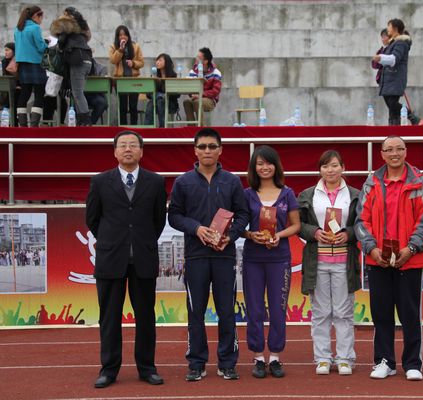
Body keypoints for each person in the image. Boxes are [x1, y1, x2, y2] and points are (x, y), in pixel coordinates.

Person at [85, 130, 167, 388]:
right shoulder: (100, 181)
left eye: (133, 145)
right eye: (123, 145)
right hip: (111, 259)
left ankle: (147, 368)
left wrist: (139, 242)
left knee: (146, 317)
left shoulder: (156, 182)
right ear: (115, 152)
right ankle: (109, 370)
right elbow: (92, 219)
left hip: (143, 258)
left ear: (141, 151)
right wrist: (113, 241)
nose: (128, 149)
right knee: (109, 318)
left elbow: (158, 221)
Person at [168, 128, 249, 381]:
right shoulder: (183, 182)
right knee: (196, 312)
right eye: (202, 146)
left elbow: (243, 214)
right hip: (196, 256)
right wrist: (196, 228)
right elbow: (174, 216)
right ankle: (196, 362)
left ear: (220, 150)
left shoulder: (232, 181)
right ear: (195, 150)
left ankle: (227, 362)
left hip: (225, 256)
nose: (207, 151)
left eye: (212, 146)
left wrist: (231, 236)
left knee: (227, 310)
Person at [355, 135, 423, 380]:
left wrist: (410, 249)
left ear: (406, 151)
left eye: (399, 149)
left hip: (410, 259)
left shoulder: (421, 183)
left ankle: (413, 363)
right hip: (378, 259)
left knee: (410, 313)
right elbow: (361, 220)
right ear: (381, 154)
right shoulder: (371, 183)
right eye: (389, 149)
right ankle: (384, 361)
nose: (394, 154)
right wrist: (372, 249)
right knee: (381, 313)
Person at [297, 150, 361, 376]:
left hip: (344, 262)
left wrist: (348, 234)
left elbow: (362, 224)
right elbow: (298, 224)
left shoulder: (355, 195)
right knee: (320, 312)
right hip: (318, 262)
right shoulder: (308, 195)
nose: (330, 170)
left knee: (343, 312)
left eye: (334, 165)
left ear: (343, 167)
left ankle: (345, 358)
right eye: (325, 166)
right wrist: (314, 232)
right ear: (320, 170)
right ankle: (322, 358)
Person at [242, 145, 300, 379]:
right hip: (253, 259)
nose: (264, 167)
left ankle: (275, 357)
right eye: (260, 163)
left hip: (279, 259)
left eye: (269, 163)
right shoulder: (246, 194)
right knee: (254, 308)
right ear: (254, 167)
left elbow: (296, 225)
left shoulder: (287, 193)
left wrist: (279, 236)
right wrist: (250, 235)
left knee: (278, 308)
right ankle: (258, 357)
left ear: (276, 166)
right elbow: (239, 226)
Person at [50, 7, 93, 125]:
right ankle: (81, 120)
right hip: (87, 60)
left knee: (77, 92)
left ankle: (85, 120)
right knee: (78, 92)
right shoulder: (82, 28)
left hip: (77, 61)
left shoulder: (66, 26)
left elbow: (61, 41)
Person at [372, 18, 411, 125]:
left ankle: (412, 117)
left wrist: (380, 57)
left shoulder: (401, 43)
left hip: (395, 79)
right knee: (392, 109)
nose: (387, 29)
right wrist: (379, 59)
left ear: (395, 28)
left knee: (393, 104)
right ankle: (393, 128)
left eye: (389, 26)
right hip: (388, 80)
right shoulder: (392, 44)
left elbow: (394, 59)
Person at [13, 5, 48, 127]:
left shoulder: (18, 28)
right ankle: (34, 125)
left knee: (25, 93)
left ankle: (22, 125)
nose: (42, 19)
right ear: (35, 16)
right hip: (35, 64)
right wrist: (47, 44)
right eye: (41, 16)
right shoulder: (35, 28)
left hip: (22, 65)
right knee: (39, 93)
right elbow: (41, 47)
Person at [109, 25, 144, 125]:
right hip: (120, 80)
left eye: (124, 35)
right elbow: (113, 60)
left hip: (133, 80)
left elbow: (141, 62)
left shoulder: (136, 46)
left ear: (128, 36)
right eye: (120, 35)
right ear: (117, 37)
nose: (122, 37)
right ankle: (123, 127)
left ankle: (134, 127)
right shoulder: (113, 47)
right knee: (122, 106)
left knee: (133, 105)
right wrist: (120, 49)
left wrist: (133, 63)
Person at [183, 47, 221, 124]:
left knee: (197, 102)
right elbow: (189, 87)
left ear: (206, 61)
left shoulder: (216, 73)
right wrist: (192, 94)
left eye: (199, 58)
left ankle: (201, 127)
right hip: (196, 98)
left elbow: (215, 91)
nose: (196, 59)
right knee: (186, 102)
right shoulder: (193, 72)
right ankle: (191, 127)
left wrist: (200, 95)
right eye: (197, 57)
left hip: (210, 100)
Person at [144, 53, 179, 127]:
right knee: (152, 102)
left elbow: (177, 94)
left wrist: (162, 85)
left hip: (170, 104)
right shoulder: (154, 76)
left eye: (160, 60)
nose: (157, 62)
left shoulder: (173, 76)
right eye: (157, 60)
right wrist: (155, 83)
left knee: (159, 100)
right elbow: (148, 95)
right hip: (156, 104)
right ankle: (148, 129)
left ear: (167, 62)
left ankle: (162, 128)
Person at [1, 42, 20, 126]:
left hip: (18, 88)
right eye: (5, 50)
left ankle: (12, 123)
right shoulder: (4, 61)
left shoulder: (18, 61)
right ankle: (8, 122)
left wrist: (18, 85)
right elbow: (5, 76)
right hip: (7, 88)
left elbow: (20, 76)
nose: (5, 52)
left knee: (15, 96)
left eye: (8, 50)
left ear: (14, 51)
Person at [85, 58, 109, 125]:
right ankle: (80, 123)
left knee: (102, 103)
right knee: (75, 103)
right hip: (82, 95)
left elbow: (103, 85)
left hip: (96, 95)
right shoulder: (78, 67)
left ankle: (90, 123)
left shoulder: (101, 68)